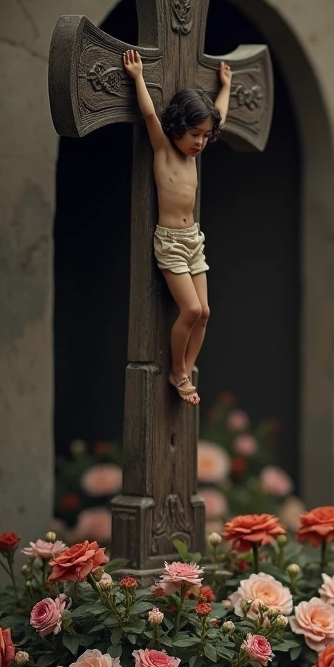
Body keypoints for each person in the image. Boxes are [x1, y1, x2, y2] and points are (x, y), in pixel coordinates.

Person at [122, 50, 232, 405]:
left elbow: (222, 117)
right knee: (192, 310)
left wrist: (225, 86)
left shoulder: (193, 155)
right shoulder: (165, 150)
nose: (199, 142)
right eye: (194, 134)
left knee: (206, 313)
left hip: (193, 240)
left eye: (205, 136)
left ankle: (185, 367)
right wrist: (138, 76)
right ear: (178, 127)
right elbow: (149, 113)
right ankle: (178, 372)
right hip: (170, 242)